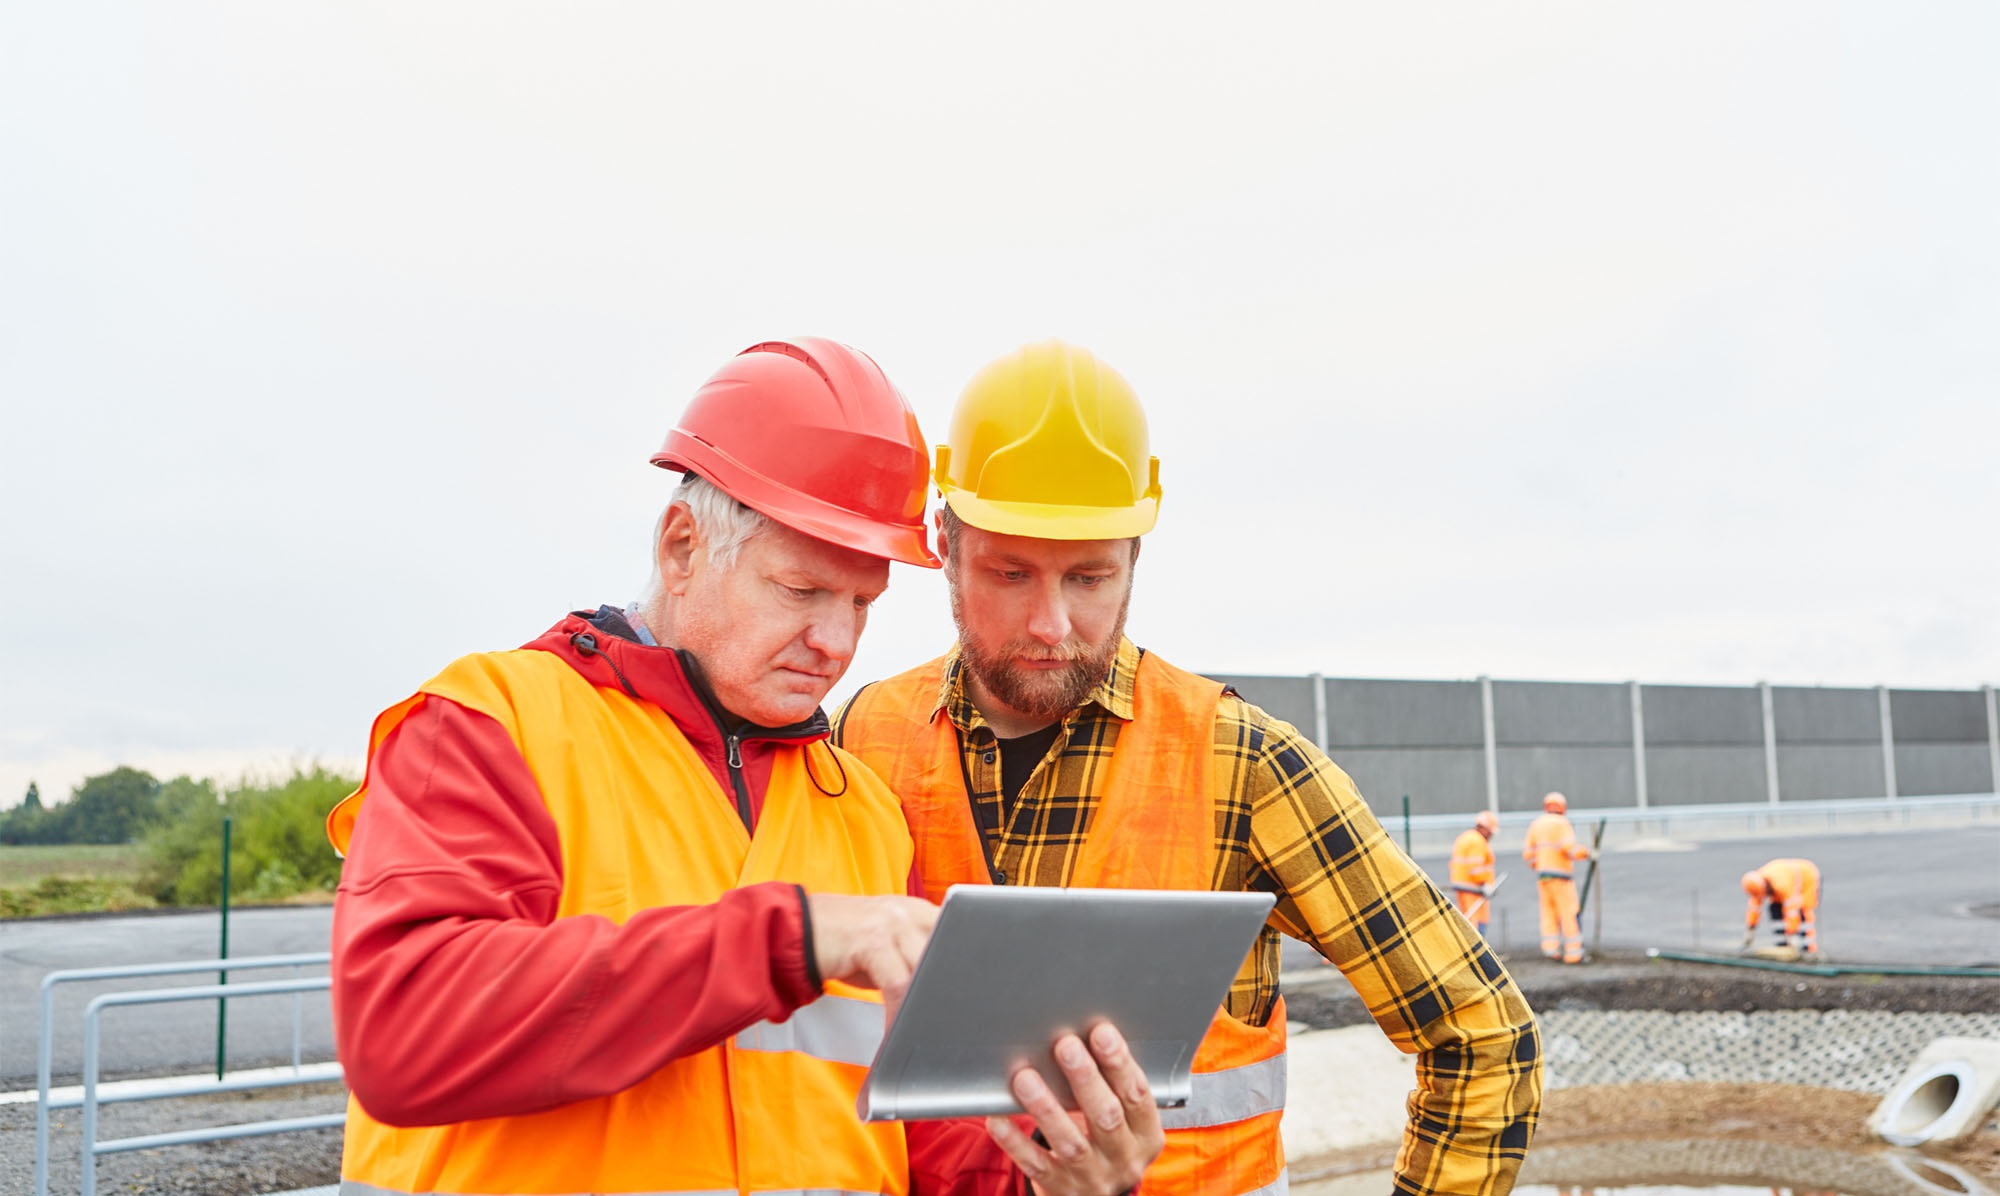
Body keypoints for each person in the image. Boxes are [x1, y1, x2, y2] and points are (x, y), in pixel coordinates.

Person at [325, 339, 1161, 1196]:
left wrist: (1060, 1175)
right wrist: (793, 938)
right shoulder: (489, 726)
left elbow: (939, 1149)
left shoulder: (862, 816)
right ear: (682, 548)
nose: (835, 644)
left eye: (862, 603)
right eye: (801, 592)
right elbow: (403, 1034)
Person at [835, 340, 1542, 1196]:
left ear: (1137, 554)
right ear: (945, 541)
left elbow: (1483, 1033)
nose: (1052, 623)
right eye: (1011, 573)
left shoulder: (1243, 762)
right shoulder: (862, 735)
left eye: (1090, 577)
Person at [1522, 791, 1591, 964]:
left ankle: (1550, 949)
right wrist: (1586, 853)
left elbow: (1528, 854)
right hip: (1561, 877)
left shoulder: (1536, 824)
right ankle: (1573, 954)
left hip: (1543, 877)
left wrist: (1539, 865)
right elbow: (1568, 848)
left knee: (1548, 913)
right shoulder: (1562, 823)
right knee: (1569, 913)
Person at [1741, 858, 1821, 956]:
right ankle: (1782, 946)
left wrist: (1792, 934)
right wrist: (1750, 930)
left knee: (1802, 911)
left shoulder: (1782, 884)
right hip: (1787, 880)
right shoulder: (1756, 885)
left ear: (1766, 886)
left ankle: (1807, 949)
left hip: (1806, 878)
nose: (1766, 896)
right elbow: (1754, 909)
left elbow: (1792, 911)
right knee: (1775, 908)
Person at [1451, 810, 1501, 936]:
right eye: (1490, 832)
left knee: (1467, 920)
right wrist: (1485, 884)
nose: (1491, 835)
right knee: (1476, 923)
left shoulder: (1466, 837)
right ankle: (1476, 954)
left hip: (1463, 886)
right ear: (1485, 828)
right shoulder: (1477, 841)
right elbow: (1476, 868)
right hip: (1473, 888)